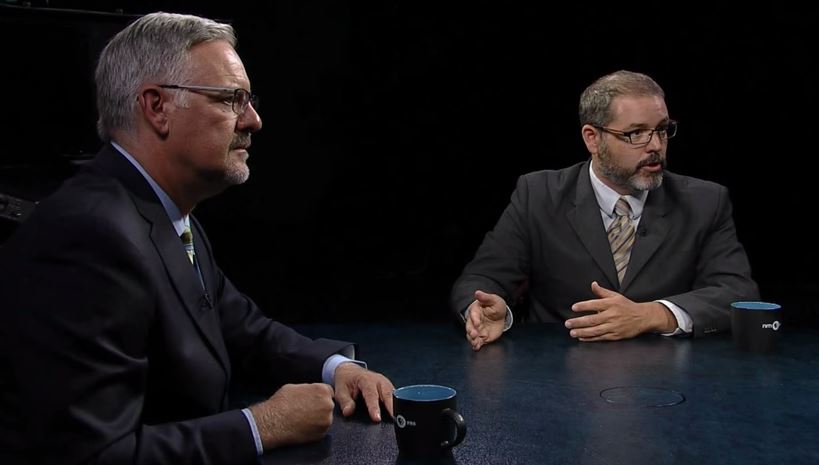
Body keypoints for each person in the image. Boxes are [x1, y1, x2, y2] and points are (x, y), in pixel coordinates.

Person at [0, 12, 394, 465]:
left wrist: (335, 368)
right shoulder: (90, 237)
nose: (254, 120)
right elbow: (93, 456)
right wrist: (261, 425)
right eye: (231, 99)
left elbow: (241, 327)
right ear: (157, 107)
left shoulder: (160, 209)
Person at [451, 70, 759, 350]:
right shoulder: (539, 194)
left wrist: (653, 315)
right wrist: (485, 313)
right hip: (554, 373)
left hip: (667, 378)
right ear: (593, 138)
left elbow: (738, 293)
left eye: (662, 130)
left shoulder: (705, 202)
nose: (655, 145)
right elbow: (480, 279)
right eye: (635, 133)